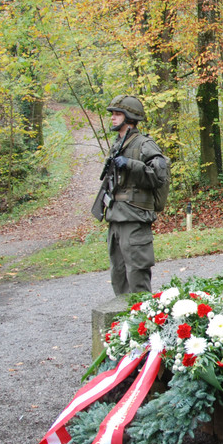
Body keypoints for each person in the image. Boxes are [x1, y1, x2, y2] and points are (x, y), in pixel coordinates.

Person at [93, 95, 170, 297]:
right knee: (118, 274)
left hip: (134, 218)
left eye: (117, 114)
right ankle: (122, 324)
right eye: (113, 114)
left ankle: (143, 323)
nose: (112, 118)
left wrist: (130, 164)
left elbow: (159, 176)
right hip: (116, 217)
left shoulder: (144, 144)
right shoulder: (118, 144)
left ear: (129, 117)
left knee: (137, 274)